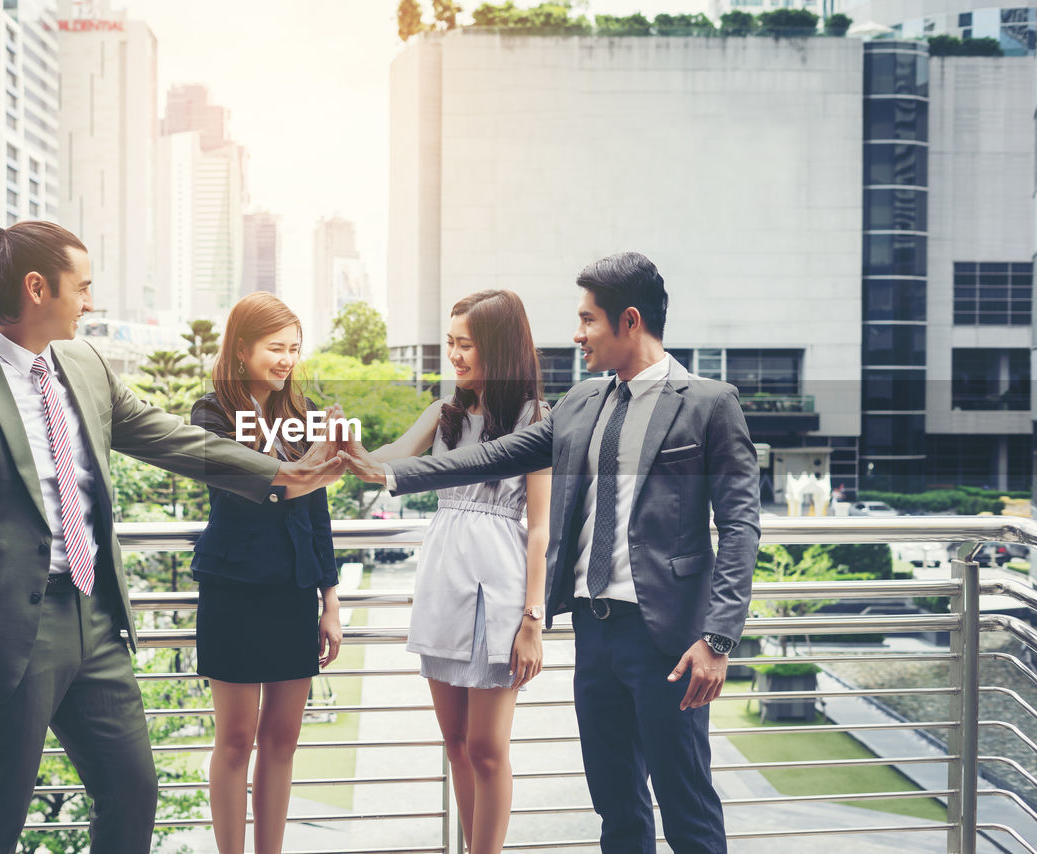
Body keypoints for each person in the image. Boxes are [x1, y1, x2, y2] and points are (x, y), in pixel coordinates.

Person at [0, 211, 344, 854]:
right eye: (83, 286)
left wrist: (285, 475)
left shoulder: (84, 364)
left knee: (133, 793)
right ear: (37, 290)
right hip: (6, 637)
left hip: (95, 618)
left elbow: (176, 440)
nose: (90, 301)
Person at [344, 252, 760, 853]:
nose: (577, 333)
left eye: (588, 319)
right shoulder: (580, 404)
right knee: (618, 810)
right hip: (595, 631)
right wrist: (388, 474)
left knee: (687, 808)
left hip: (667, 639)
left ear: (630, 321)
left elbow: (742, 527)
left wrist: (718, 638)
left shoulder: (708, 403)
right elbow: (492, 456)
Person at [344, 290, 549, 853]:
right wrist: (344, 446)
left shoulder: (536, 422)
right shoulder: (445, 413)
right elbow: (387, 461)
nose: (454, 355)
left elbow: (540, 529)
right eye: (451, 343)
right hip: (443, 581)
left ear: (500, 349)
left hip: (502, 590)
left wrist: (533, 620)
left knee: (488, 747)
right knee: (456, 742)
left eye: (466, 345)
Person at [189, 292, 343, 854]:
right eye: (275, 347)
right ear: (241, 349)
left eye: (294, 349)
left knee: (283, 740)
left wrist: (330, 602)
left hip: (294, 593)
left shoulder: (300, 414)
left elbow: (317, 510)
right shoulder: (209, 414)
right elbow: (264, 481)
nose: (286, 360)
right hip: (233, 591)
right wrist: (319, 461)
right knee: (234, 739)